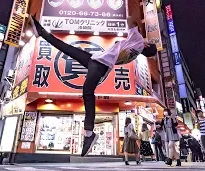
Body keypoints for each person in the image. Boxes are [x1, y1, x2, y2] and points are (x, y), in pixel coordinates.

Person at [29, 15, 157, 157]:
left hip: (98, 65)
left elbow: (130, 18)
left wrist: (138, 29)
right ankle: (40, 31)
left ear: (146, 45)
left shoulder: (138, 40)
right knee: (67, 49)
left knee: (87, 92)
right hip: (94, 60)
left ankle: (89, 133)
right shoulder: (135, 52)